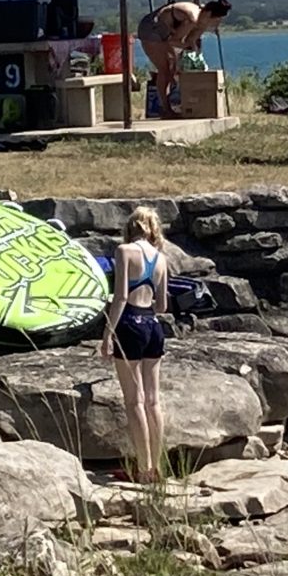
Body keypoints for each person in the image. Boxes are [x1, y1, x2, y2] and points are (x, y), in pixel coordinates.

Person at [100, 205, 169, 483]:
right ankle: (158, 466)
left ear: (131, 227)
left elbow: (120, 297)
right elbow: (162, 305)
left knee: (134, 401)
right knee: (153, 400)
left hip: (130, 323)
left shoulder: (124, 252)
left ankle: (143, 469)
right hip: (153, 325)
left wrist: (107, 334)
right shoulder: (161, 259)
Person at [135, 0, 232, 119]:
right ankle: (165, 109)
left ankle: (173, 103)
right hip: (152, 29)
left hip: (166, 33)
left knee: (174, 68)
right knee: (165, 69)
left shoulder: (202, 22)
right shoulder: (192, 17)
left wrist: (195, 53)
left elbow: (190, 40)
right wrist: (186, 47)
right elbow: (174, 41)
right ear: (208, 14)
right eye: (215, 20)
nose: (214, 24)